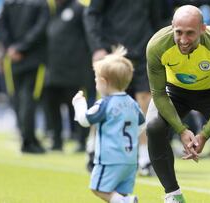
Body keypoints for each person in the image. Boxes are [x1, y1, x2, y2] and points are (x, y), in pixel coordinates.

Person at [146, 5, 210, 203]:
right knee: (154, 126)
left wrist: (205, 134)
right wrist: (181, 130)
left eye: (190, 33)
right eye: (178, 32)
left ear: (203, 29)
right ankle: (173, 195)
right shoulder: (156, 46)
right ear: (172, 26)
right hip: (174, 92)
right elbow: (158, 94)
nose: (183, 40)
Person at [83, 0, 162, 176]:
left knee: (146, 102)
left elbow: (159, 17)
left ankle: (145, 158)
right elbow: (91, 14)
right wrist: (97, 47)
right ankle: (94, 148)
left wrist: (159, 47)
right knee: (107, 102)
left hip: (144, 51)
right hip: (113, 51)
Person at [72, 46, 144, 203]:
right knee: (119, 192)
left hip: (110, 158)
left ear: (104, 82)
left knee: (98, 188)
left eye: (96, 79)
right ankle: (124, 200)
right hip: (130, 160)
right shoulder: (132, 103)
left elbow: (85, 120)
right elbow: (141, 124)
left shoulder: (105, 104)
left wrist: (79, 104)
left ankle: (127, 202)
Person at [0, 0, 49, 153]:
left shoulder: (8, 3)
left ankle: (25, 135)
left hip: (12, 59)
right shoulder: (41, 3)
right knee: (30, 98)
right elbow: (41, 28)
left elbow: (0, 23)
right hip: (34, 58)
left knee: (18, 97)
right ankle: (28, 140)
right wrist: (22, 47)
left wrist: (11, 48)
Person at [43, 0, 95, 152]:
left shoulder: (79, 9)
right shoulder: (50, 10)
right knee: (52, 105)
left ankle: (81, 140)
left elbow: (88, 35)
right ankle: (56, 140)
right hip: (52, 67)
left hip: (75, 70)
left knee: (76, 105)